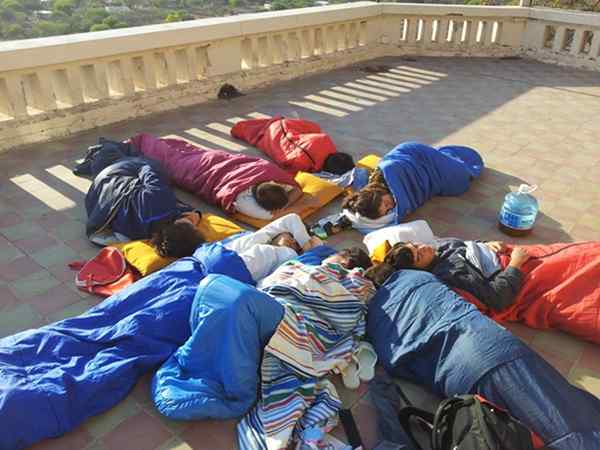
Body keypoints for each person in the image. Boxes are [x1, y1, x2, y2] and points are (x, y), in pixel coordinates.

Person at [367, 268, 600, 450]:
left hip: (456, 381)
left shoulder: (375, 324)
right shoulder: (416, 276)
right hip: (489, 350)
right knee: (567, 422)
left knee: (530, 427)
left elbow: (392, 367)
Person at [365, 236, 600, 343]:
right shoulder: (451, 275)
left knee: (584, 253)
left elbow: (469, 247)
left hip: (513, 257)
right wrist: (516, 263)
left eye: (416, 245)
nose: (423, 247)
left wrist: (486, 244)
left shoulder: (442, 248)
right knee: (581, 286)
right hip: (524, 279)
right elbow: (498, 298)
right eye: (418, 255)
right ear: (420, 269)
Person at [130, 133, 304, 220]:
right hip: (205, 170)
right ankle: (142, 142)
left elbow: (296, 189)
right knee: (173, 164)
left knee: (181, 155)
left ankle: (151, 142)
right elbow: (276, 215)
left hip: (214, 160)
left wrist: (286, 203)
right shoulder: (243, 201)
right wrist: (287, 208)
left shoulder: (270, 176)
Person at [342, 142, 483, 233]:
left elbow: (405, 194)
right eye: (387, 210)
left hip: (414, 154)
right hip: (423, 168)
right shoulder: (380, 194)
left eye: (386, 204)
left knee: (460, 178)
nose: (391, 206)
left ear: (377, 193)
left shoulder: (390, 171)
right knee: (456, 181)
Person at [230, 116, 355, 175]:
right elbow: (286, 174)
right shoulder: (300, 162)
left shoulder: (326, 141)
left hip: (288, 124)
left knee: (314, 128)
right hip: (274, 132)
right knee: (257, 136)